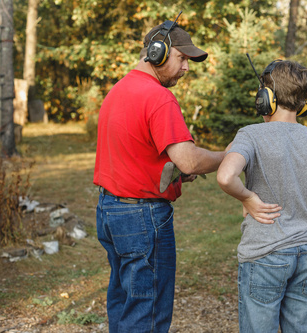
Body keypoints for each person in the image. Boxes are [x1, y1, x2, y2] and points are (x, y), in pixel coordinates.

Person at [93, 20, 226, 333]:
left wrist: (176, 173)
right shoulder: (158, 97)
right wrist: (229, 156)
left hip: (111, 212)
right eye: (181, 59)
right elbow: (190, 160)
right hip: (142, 218)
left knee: (126, 305)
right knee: (147, 316)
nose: (186, 68)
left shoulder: (119, 90)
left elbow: (135, 154)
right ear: (158, 52)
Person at [217, 60, 307, 333]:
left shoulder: (250, 135)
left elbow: (225, 176)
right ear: (303, 104)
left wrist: (248, 199)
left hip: (265, 254)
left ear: (265, 99)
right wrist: (300, 208)